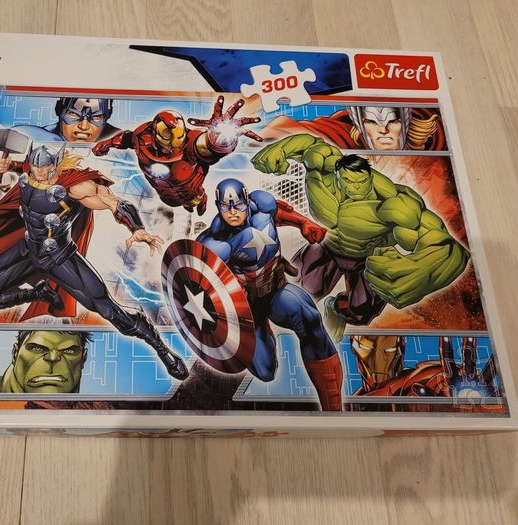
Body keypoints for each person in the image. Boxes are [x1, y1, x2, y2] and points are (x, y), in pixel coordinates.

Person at [0, 142, 189, 380]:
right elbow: (14, 175)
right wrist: (3, 169)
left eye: (45, 169)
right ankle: (39, 293)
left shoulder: (75, 186)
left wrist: (136, 228)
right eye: (35, 168)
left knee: (107, 308)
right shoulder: (29, 173)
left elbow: (112, 201)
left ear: (56, 165)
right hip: (27, 251)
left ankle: (162, 350)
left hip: (60, 258)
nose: (39, 173)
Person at [252, 133, 468, 341]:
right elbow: (308, 145)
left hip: (364, 259)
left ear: (369, 177)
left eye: (361, 182)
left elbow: (444, 243)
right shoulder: (325, 167)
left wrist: (428, 270)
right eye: (348, 181)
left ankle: (334, 309)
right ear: (339, 177)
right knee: (292, 292)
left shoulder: (393, 202)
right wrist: (279, 150)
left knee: (361, 313)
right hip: (327, 248)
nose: (354, 187)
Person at [195, 178, 343, 411]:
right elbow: (197, 286)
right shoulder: (214, 244)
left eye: (238, 205)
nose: (233, 212)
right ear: (217, 206)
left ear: (247, 200)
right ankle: (261, 330)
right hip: (248, 311)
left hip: (276, 291)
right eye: (226, 207)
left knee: (310, 318)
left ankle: (333, 409)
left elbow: (280, 214)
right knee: (265, 372)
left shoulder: (262, 206)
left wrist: (303, 223)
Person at [92, 96, 261, 215]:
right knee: (176, 205)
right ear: (154, 133)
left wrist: (221, 136)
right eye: (167, 137)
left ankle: (201, 201)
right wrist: (107, 143)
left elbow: (210, 147)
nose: (174, 143)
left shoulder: (192, 143)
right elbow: (126, 138)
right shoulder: (142, 137)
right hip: (165, 196)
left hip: (192, 193)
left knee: (194, 203)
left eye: (179, 136)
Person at [258, 105, 444, 151]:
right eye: (372, 122)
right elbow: (280, 126)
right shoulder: (344, 137)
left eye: (392, 122)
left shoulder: (435, 147)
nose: (383, 130)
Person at [12, 97, 120, 143]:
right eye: (74, 114)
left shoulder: (118, 139)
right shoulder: (34, 137)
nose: (83, 126)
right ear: (59, 110)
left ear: (107, 116)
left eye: (96, 117)